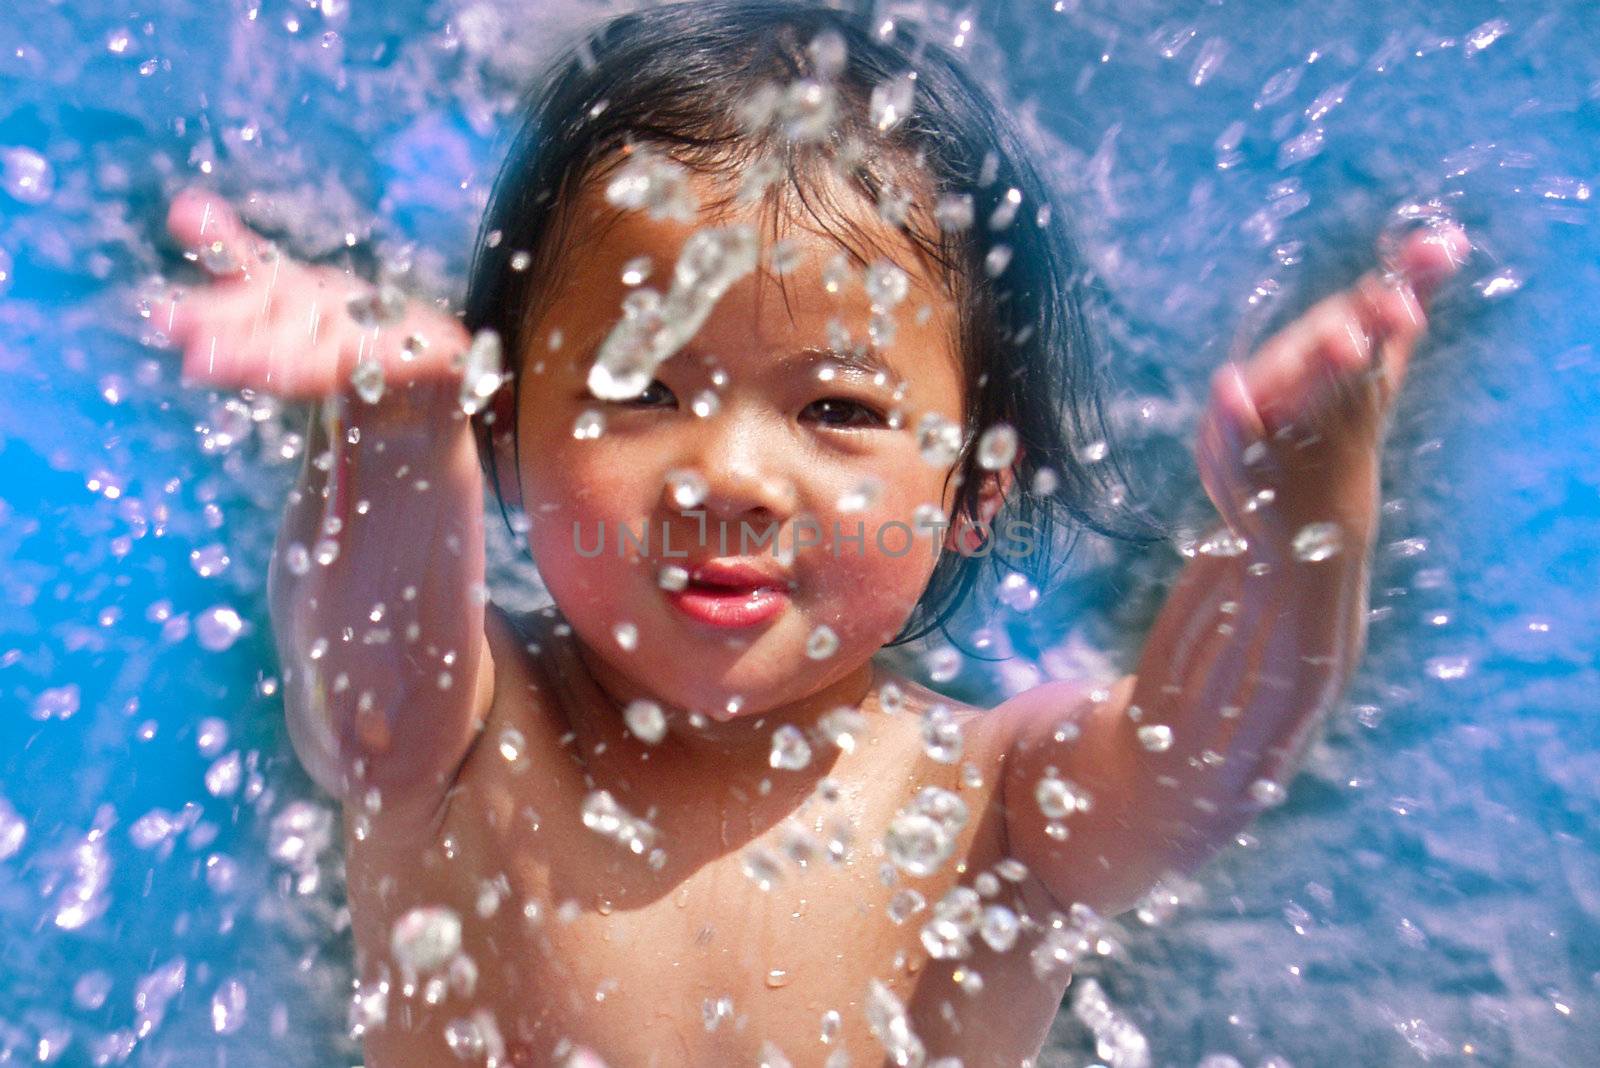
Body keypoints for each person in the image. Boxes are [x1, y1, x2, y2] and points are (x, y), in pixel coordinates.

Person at [146, 2, 1469, 1064]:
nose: (729, 477)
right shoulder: (472, 729)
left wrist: (1302, 514)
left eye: (836, 407)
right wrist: (388, 431)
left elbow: (1205, 768)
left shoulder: (990, 803)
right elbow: (360, 702)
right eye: (643, 387)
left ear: (972, 487)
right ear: (507, 430)